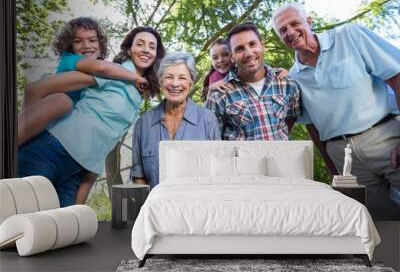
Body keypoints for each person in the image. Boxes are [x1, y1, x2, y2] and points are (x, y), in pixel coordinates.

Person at [272, 3, 400, 220]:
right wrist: (333, 169)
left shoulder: (350, 36)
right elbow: (312, 127)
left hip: (385, 138)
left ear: (309, 22)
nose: (290, 32)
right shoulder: (294, 78)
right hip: (344, 157)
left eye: (295, 24)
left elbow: (396, 76)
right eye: (283, 30)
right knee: (378, 221)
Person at [18, 26, 166, 207]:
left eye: (152, 46)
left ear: (156, 54)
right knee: (20, 218)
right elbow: (36, 89)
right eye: (140, 44)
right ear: (129, 49)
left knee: (63, 231)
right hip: (50, 153)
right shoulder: (112, 73)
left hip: (75, 174)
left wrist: (81, 202)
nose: (146, 49)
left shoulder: (136, 99)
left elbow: (104, 144)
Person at [130, 52, 221, 188]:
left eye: (182, 77)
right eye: (168, 77)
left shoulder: (208, 120)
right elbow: (139, 177)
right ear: (160, 81)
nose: (175, 83)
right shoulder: (143, 124)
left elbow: (217, 175)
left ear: (191, 82)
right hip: (156, 207)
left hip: (197, 206)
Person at [206, 22, 301, 141]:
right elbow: (212, 140)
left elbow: (290, 119)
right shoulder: (219, 95)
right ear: (232, 57)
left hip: (280, 158)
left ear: (262, 46)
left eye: (252, 44)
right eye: (239, 49)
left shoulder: (286, 83)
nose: (249, 53)